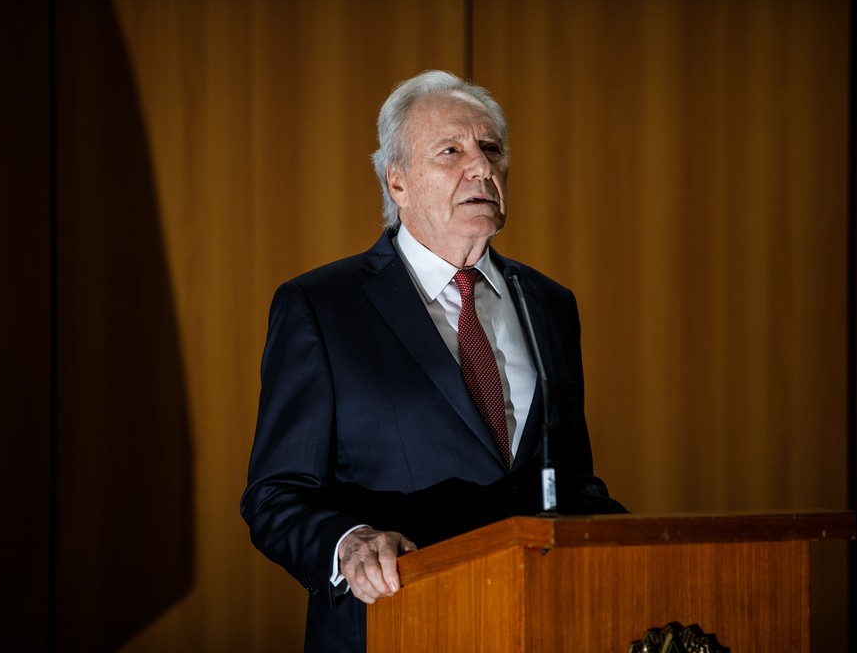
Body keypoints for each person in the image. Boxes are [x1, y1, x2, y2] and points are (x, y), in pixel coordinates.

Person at [240, 69, 625, 653]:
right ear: (398, 183)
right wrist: (347, 543)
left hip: (537, 627)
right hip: (397, 628)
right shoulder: (321, 307)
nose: (482, 168)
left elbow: (568, 484)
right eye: (452, 150)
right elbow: (275, 495)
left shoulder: (549, 303)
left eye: (491, 149)